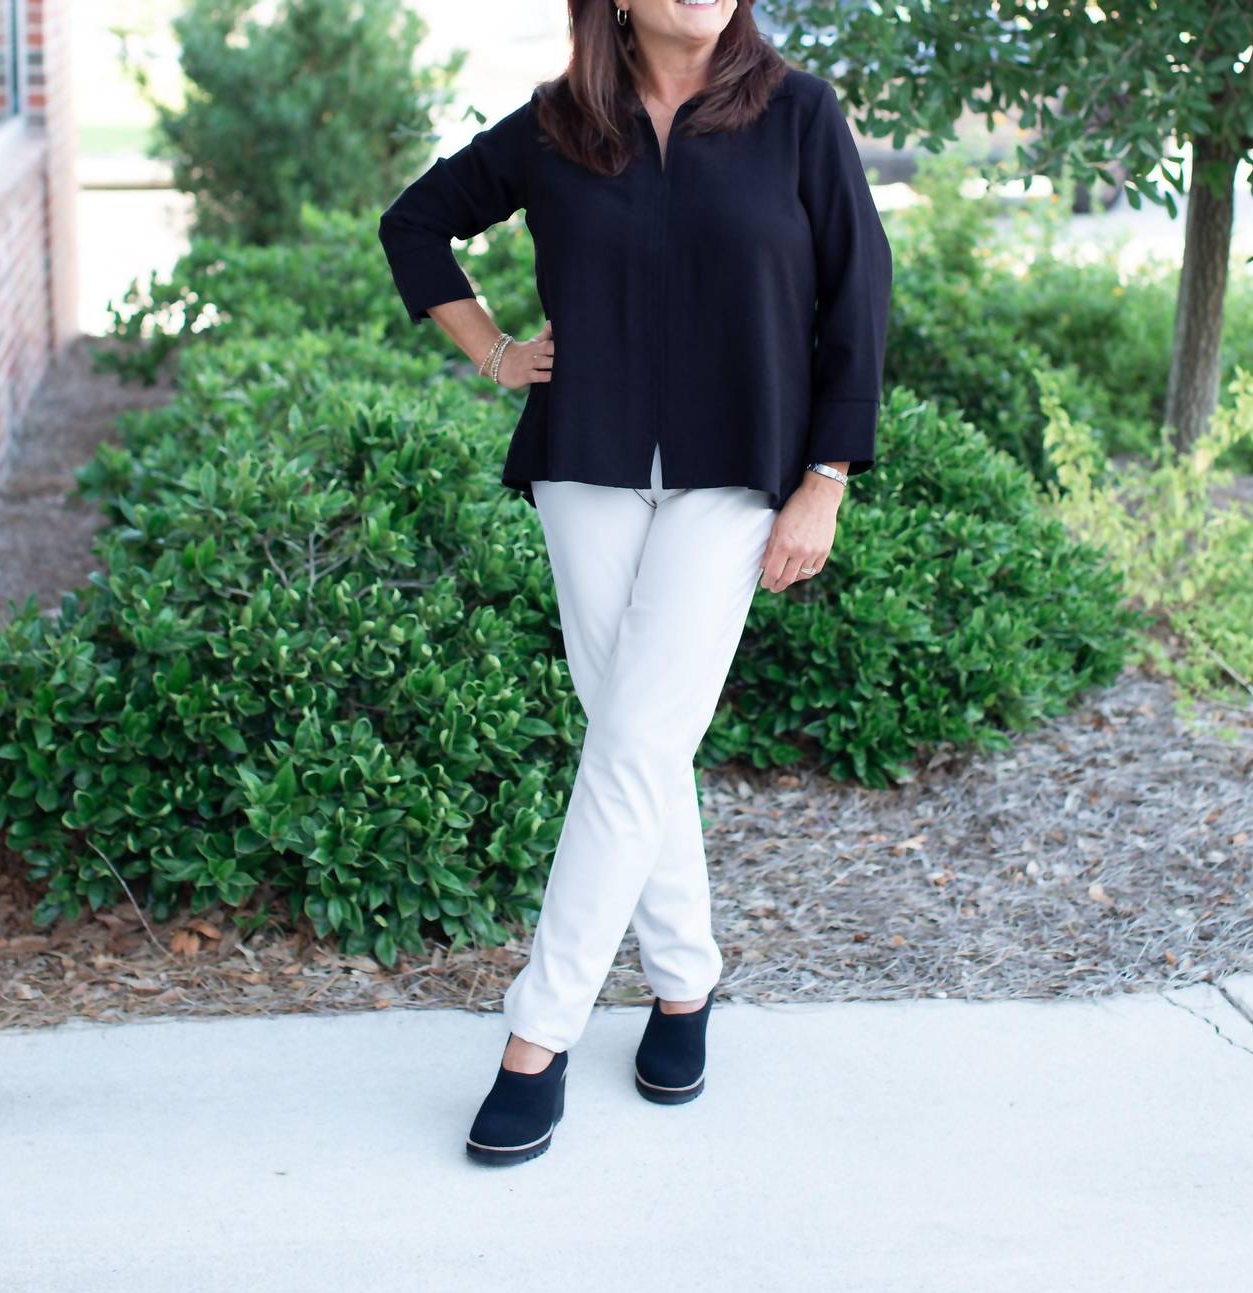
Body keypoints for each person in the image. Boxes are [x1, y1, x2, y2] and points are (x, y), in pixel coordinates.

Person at [376, 0, 892, 1167]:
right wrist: (496, 352)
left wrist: (827, 476)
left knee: (632, 745)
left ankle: (537, 1037)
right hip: (588, 465)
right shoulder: (559, 124)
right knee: (635, 740)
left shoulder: (800, 115)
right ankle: (685, 982)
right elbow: (416, 223)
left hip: (739, 472)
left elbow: (858, 294)